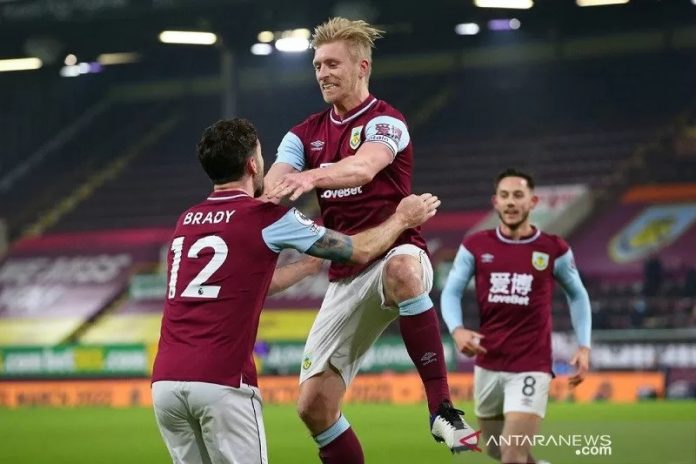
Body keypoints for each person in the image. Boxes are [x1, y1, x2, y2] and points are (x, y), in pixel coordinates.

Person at [151, 118, 441, 464]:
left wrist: (303, 268)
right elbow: (360, 251)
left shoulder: (186, 221)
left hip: (166, 385)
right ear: (253, 164)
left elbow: (242, 286)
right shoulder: (264, 217)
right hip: (222, 382)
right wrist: (402, 220)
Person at [263, 17, 475, 461]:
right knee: (313, 408)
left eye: (332, 64)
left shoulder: (388, 121)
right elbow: (276, 179)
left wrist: (311, 176)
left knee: (402, 268)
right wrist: (282, 183)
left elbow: (364, 167)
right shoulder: (303, 133)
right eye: (317, 65)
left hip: (395, 248)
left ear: (362, 67)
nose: (322, 73)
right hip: (345, 273)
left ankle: (441, 408)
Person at [440, 168, 593, 464]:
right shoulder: (475, 245)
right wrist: (457, 329)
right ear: (495, 202)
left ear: (533, 202)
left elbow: (578, 294)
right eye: (505, 196)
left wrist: (584, 346)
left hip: (531, 365)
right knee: (497, 449)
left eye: (518, 196)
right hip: (488, 361)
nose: (511, 202)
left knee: (512, 454)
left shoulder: (553, 249)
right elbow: (451, 291)